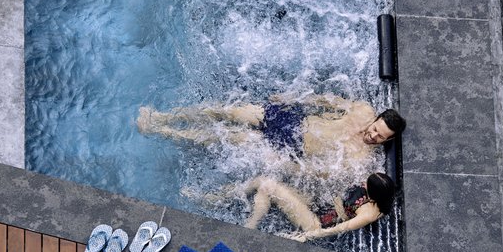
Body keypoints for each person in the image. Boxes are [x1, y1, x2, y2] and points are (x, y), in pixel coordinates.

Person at [137, 94, 406, 174]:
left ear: (388, 140)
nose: (372, 135)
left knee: (222, 137)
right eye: (375, 128)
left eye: (380, 137)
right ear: (376, 117)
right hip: (292, 118)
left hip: (290, 147)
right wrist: (293, 98)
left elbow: (319, 171)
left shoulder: (360, 158)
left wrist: (284, 166)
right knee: (229, 112)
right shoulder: (362, 110)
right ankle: (165, 116)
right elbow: (328, 102)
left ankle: (161, 130)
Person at [241, 172, 396, 242]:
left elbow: (340, 228)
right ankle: (229, 197)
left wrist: (305, 236)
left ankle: (249, 225)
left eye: (366, 186)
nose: (362, 184)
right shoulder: (382, 192)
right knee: (263, 183)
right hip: (320, 204)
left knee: (267, 186)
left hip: (317, 222)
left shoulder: (367, 214)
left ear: (375, 195)